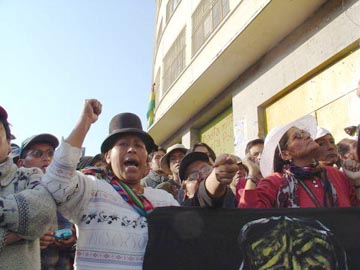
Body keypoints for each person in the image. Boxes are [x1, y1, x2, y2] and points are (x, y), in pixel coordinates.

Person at [41, 99, 179, 270]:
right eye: (123, 144)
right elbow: (55, 182)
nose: (131, 149)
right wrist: (84, 122)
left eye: (138, 145)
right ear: (107, 156)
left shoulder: (165, 201)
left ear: (146, 158)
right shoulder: (90, 190)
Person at [239, 115, 360, 208]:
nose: (307, 135)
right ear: (286, 154)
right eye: (297, 135)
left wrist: (356, 182)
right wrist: (252, 174)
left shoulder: (336, 174)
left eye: (304, 132)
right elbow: (249, 215)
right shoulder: (275, 182)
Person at [0, 105, 56, 270]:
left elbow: (43, 211)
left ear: (9, 143)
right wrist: (15, 234)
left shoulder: (28, 177)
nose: (46, 159)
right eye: (37, 153)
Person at [18, 133, 76, 270]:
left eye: (51, 153)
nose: (46, 158)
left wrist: (71, 239)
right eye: (37, 153)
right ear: (21, 162)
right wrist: (28, 239)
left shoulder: (69, 194)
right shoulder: (11, 195)